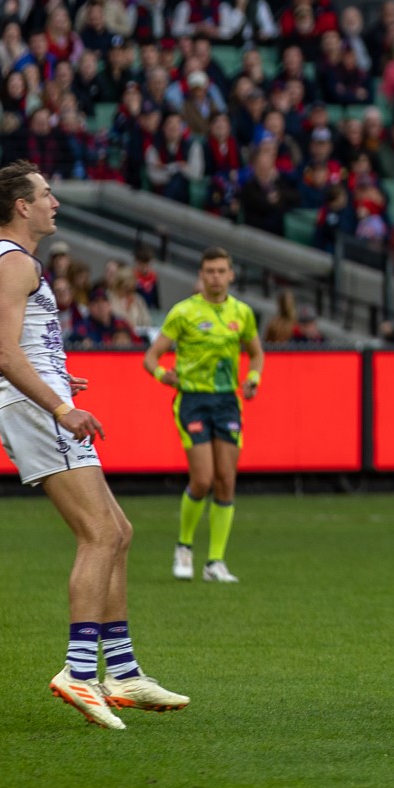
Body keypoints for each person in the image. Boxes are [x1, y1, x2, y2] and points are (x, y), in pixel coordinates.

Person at [0, 162, 186, 728]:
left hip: (35, 405)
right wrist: (58, 404)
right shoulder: (15, 263)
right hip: (42, 416)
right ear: (21, 206)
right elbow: (3, 352)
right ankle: (79, 671)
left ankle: (122, 671)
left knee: (118, 532)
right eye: (46, 194)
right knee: (99, 534)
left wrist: (51, 379)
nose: (54, 202)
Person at [146, 247, 261, 583]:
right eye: (209, 271)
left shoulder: (242, 312)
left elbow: (256, 353)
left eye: (221, 271)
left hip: (226, 402)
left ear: (231, 275)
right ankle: (184, 547)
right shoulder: (184, 312)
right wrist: (162, 374)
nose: (215, 277)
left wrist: (253, 378)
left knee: (226, 480)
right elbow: (151, 357)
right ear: (201, 275)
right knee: (203, 479)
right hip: (193, 400)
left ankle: (215, 562)